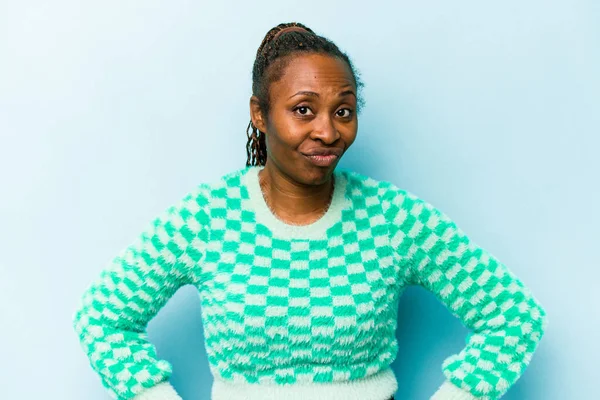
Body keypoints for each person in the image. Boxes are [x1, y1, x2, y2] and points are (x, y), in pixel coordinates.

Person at [72, 22, 548, 400]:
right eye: (303, 109)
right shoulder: (208, 218)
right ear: (260, 114)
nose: (328, 131)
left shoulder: (394, 220)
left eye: (343, 111)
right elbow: (103, 317)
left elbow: (514, 315)